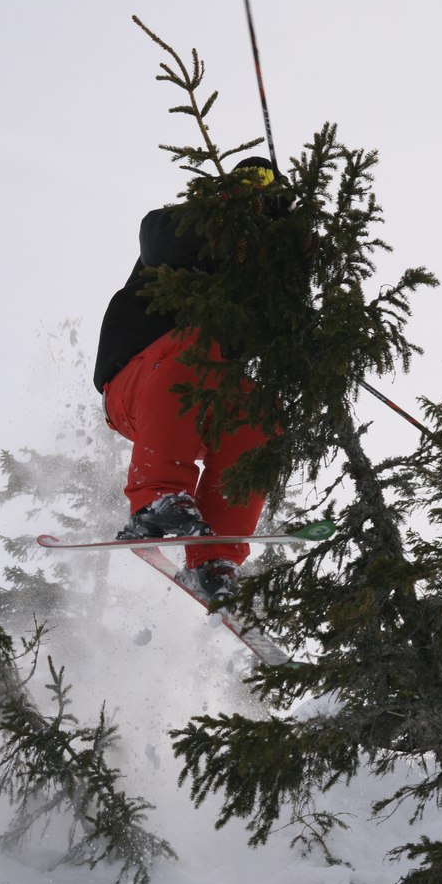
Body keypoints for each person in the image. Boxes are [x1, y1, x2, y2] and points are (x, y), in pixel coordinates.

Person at [93, 157, 281, 601]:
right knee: (199, 344)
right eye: (248, 186)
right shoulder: (186, 230)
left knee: (261, 412)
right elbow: (155, 235)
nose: (255, 196)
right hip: (135, 386)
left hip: (195, 405)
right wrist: (227, 223)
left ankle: (214, 559)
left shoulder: (251, 280)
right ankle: (155, 498)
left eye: (265, 192)